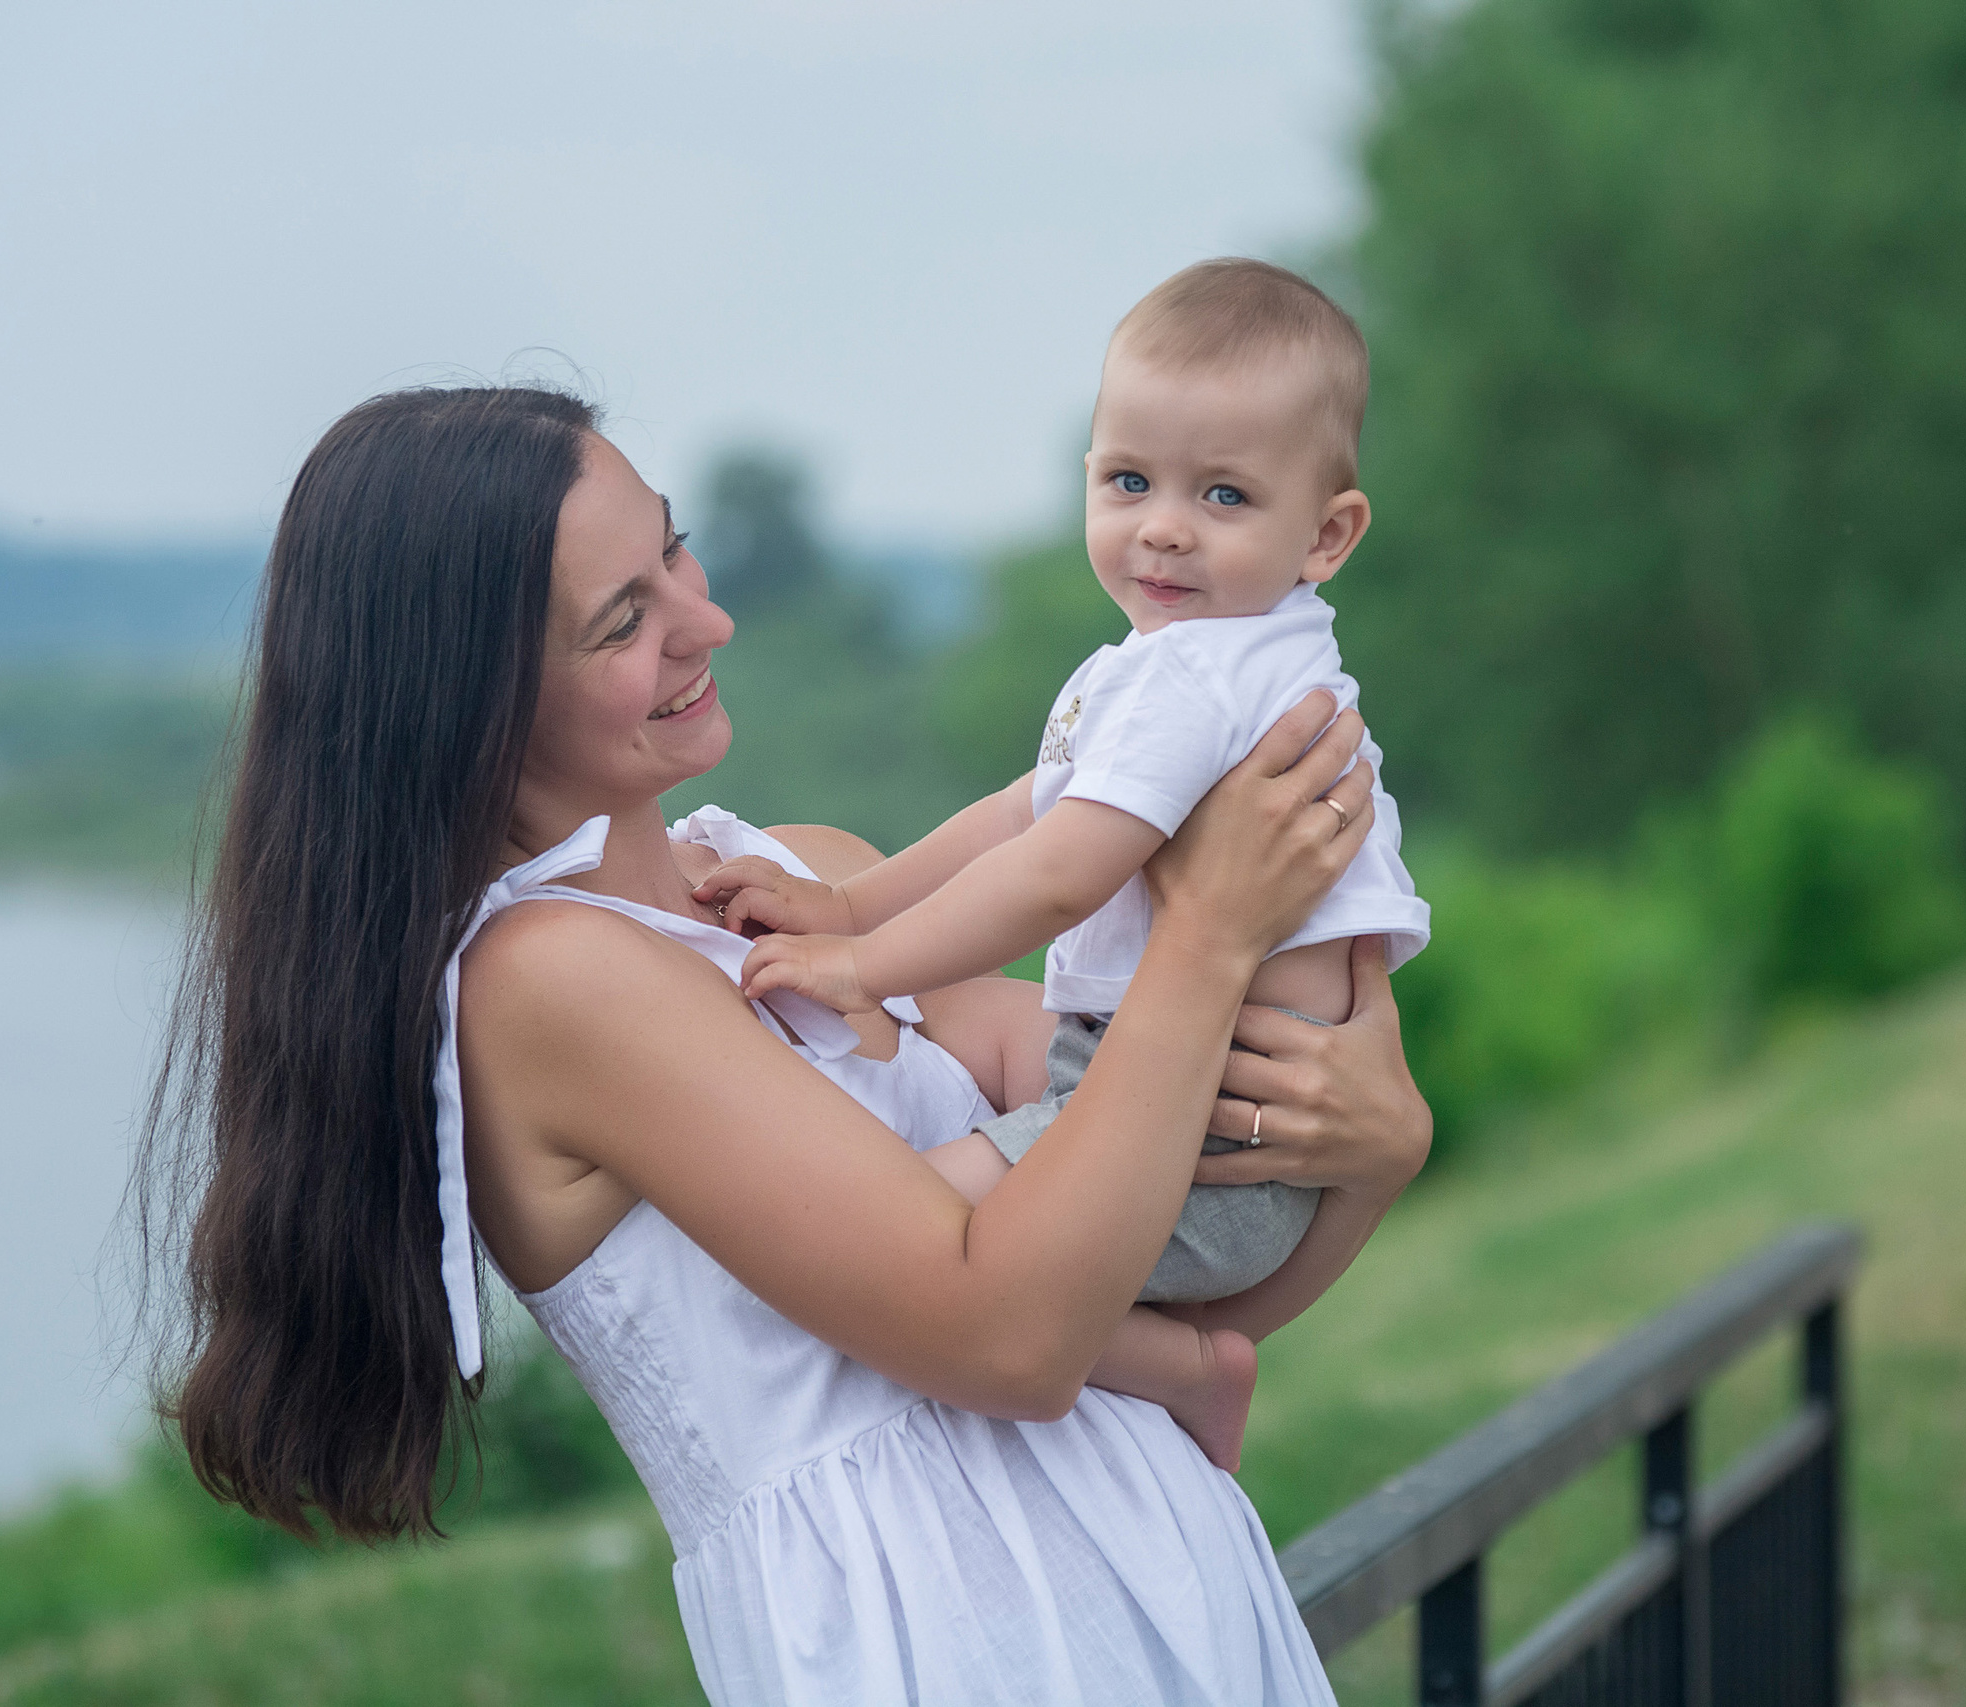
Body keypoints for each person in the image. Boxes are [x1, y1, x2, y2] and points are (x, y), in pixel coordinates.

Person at [148, 383, 1433, 1706]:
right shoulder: (545, 979)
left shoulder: (814, 884)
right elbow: (1016, 1340)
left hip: (1166, 1565)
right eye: (623, 620)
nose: (706, 621)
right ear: (470, 702)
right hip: (936, 1628)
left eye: (673, 549)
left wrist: (1375, 1157)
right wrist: (1209, 937)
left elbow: (1174, 1243)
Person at [708, 265, 1429, 1451]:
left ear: (1326, 533)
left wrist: (861, 962)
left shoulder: (1198, 675)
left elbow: (1055, 873)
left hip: (1211, 1146)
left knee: (893, 1244)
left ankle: (1186, 1370)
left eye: (1224, 495)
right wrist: (843, 904)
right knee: (909, 1253)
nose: (1163, 525)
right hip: (1211, 1119)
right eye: (1129, 480)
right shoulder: (1204, 658)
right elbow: (1021, 813)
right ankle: (1185, 1367)